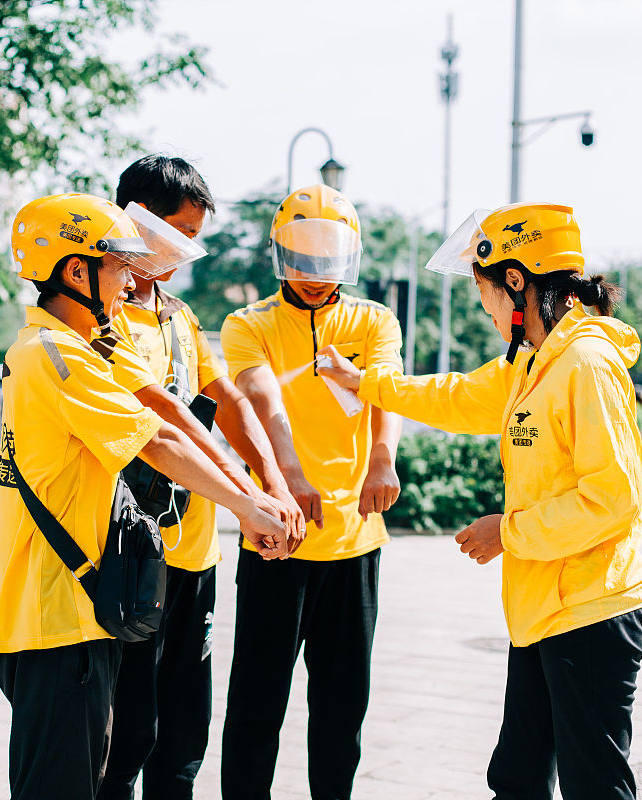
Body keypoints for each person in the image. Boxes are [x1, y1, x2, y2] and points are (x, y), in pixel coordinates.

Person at [317, 202, 642, 800]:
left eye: (487, 292)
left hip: (590, 609)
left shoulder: (586, 364)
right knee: (518, 778)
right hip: (543, 608)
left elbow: (612, 498)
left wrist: (509, 530)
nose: (485, 307)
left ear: (517, 283)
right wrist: (364, 382)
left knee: (593, 787)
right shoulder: (532, 364)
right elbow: (457, 396)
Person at [0, 192, 288, 800]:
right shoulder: (54, 356)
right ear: (77, 271)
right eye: (120, 265)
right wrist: (249, 507)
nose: (131, 280)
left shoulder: (84, 347)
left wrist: (256, 489)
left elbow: (171, 414)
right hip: (58, 617)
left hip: (74, 613)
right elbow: (156, 444)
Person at [97, 156, 304, 800]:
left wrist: (269, 477)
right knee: (127, 733)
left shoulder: (177, 316)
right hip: (128, 557)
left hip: (191, 555)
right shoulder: (97, 322)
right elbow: (166, 425)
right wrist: (249, 502)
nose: (185, 253)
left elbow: (228, 402)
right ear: (139, 222)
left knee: (185, 733)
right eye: (178, 234)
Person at [219, 184, 404, 800]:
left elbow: (385, 394)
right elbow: (262, 399)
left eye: (329, 261)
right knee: (255, 704)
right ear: (280, 254)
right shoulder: (248, 323)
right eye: (304, 259)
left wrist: (383, 458)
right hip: (277, 538)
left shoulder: (375, 320)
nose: (317, 276)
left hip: (354, 544)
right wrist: (291, 476)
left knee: (341, 710)